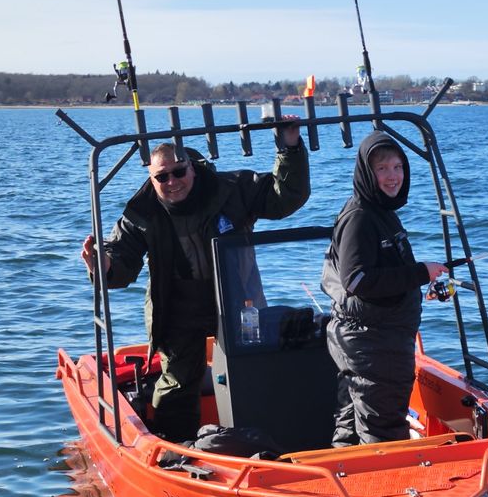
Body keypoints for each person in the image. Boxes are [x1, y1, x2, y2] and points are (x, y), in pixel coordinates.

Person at [81, 120, 310, 442]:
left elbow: (286, 198)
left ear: (193, 167)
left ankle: (265, 439)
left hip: (239, 298)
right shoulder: (141, 212)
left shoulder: (233, 188)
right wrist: (102, 265)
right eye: (162, 176)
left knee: (254, 369)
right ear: (151, 178)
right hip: (177, 305)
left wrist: (290, 149)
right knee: (176, 382)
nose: (172, 181)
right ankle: (177, 447)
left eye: (179, 172)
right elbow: (121, 261)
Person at [321, 131, 446, 446]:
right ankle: (385, 494)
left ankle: (347, 485)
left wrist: (420, 283)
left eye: (397, 167)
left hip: (377, 337)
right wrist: (419, 273)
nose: (393, 177)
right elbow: (357, 280)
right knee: (383, 429)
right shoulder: (360, 217)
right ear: (367, 172)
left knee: (350, 426)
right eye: (382, 169)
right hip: (371, 343)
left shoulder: (383, 212)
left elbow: (386, 272)